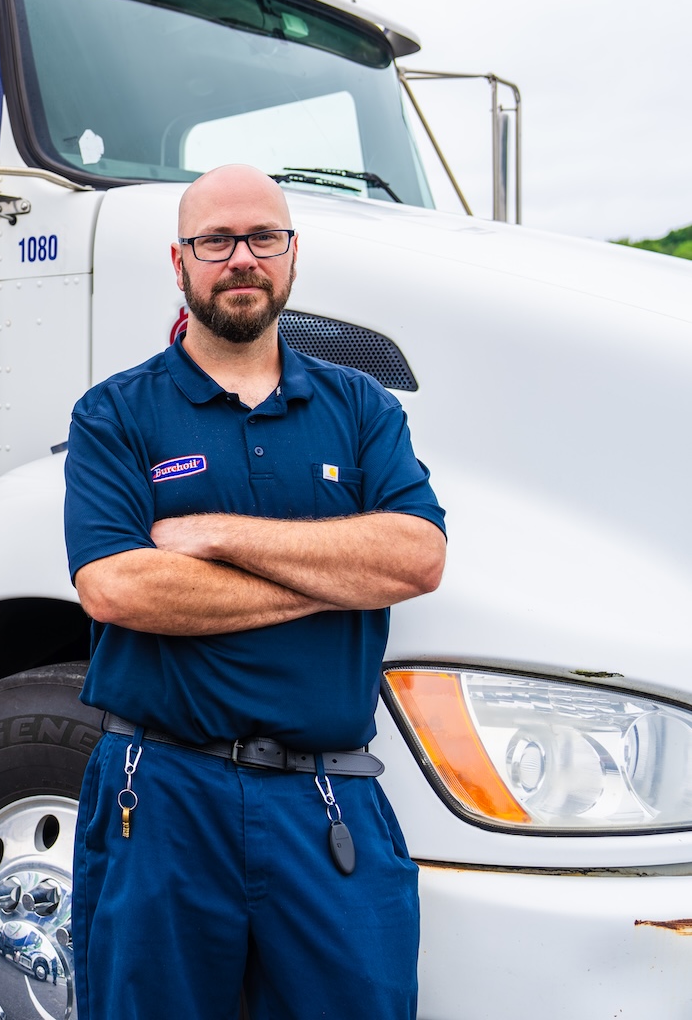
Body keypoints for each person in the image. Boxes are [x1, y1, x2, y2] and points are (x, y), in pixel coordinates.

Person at [63, 164, 447, 1019]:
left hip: (327, 800)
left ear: (292, 254)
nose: (242, 258)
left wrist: (218, 535)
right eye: (216, 241)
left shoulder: (361, 407)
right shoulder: (115, 414)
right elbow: (117, 587)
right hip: (162, 795)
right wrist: (339, 577)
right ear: (179, 262)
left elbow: (417, 558)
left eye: (263, 237)